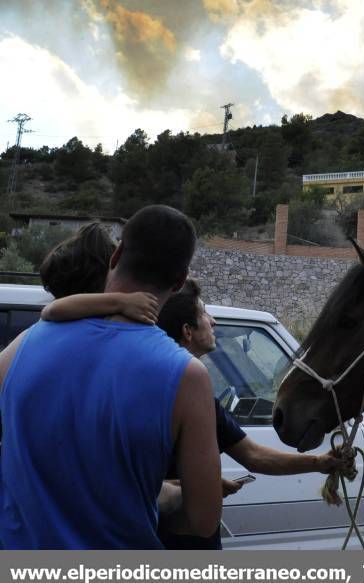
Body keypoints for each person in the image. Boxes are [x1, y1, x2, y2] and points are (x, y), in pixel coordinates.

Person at [0, 206, 221, 549]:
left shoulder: (22, 346)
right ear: (179, 282)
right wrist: (161, 497)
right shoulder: (188, 376)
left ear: (116, 255)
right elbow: (203, 520)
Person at [155, 278, 347, 549]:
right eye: (204, 314)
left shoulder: (184, 395)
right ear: (188, 331)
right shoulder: (177, 394)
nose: (213, 322)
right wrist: (200, 487)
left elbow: (254, 456)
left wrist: (318, 463)